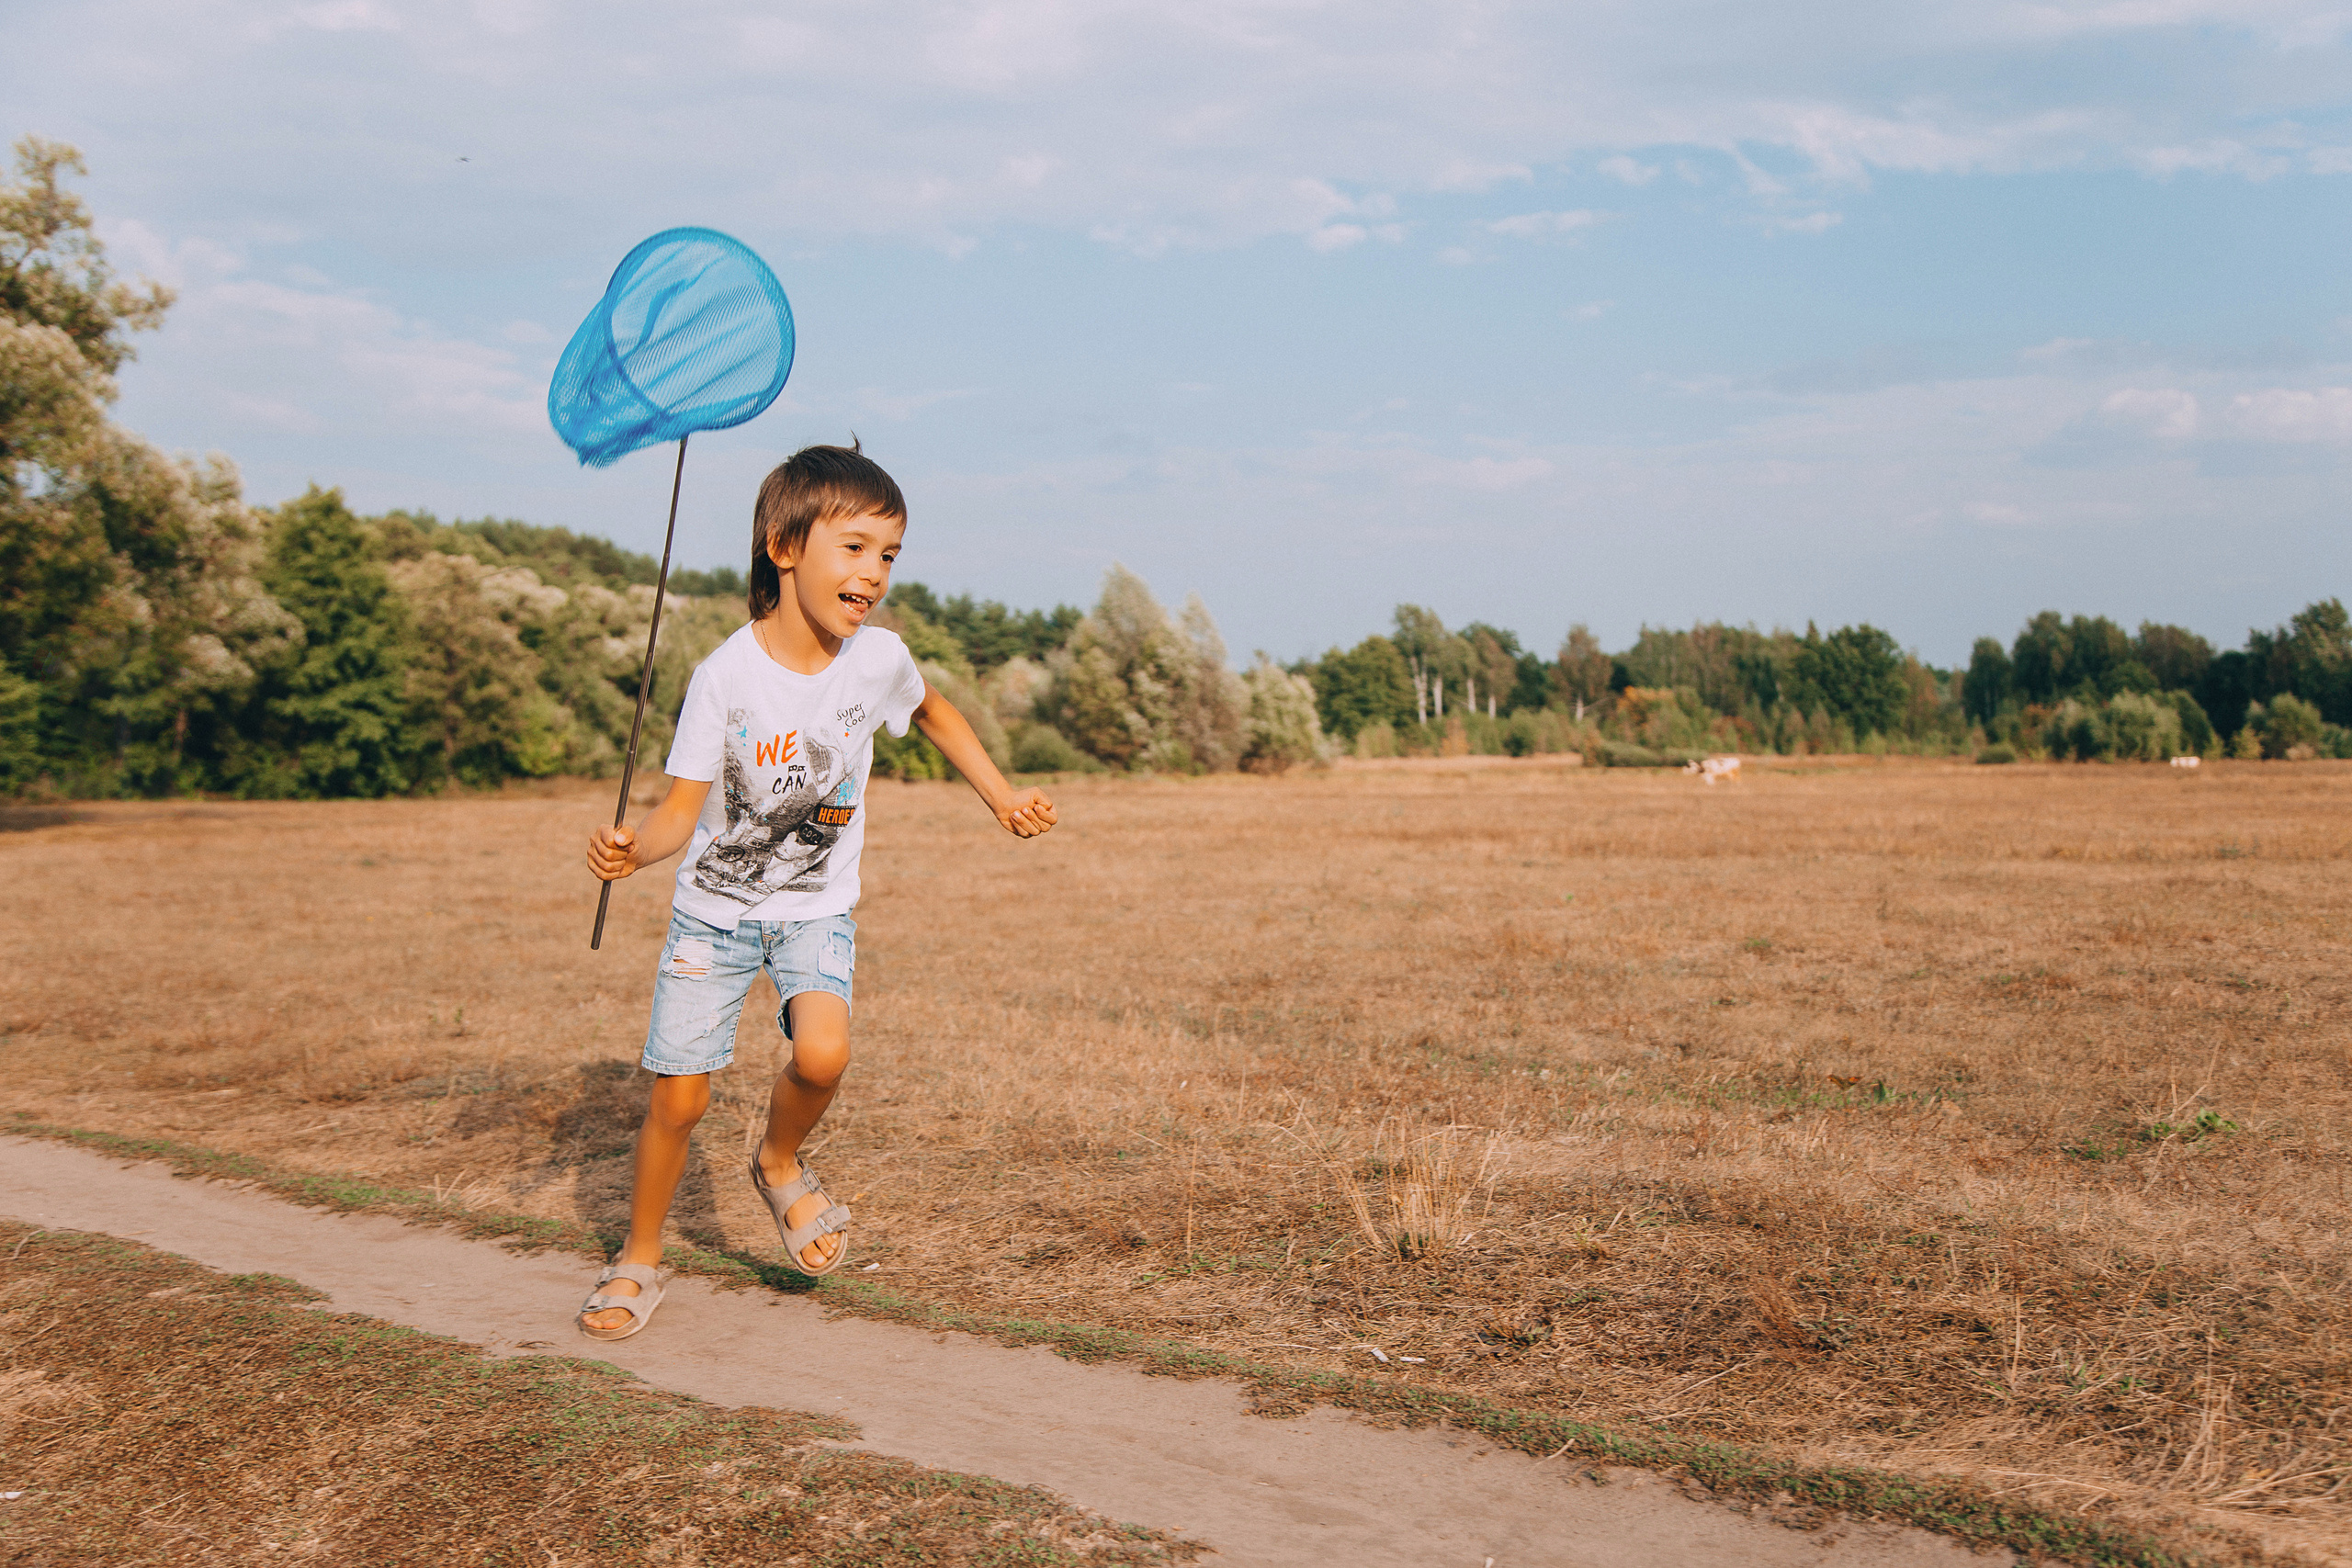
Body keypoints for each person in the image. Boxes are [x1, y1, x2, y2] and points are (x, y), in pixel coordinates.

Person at [575, 441, 1056, 1340]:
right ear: (784, 547)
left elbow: (934, 710)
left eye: (889, 554)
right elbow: (679, 813)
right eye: (855, 547)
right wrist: (632, 851)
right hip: (714, 916)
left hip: (815, 908)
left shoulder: (878, 660)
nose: (874, 573)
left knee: (824, 1057)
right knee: (679, 1100)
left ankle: (778, 1161)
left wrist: (999, 795)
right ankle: (638, 1256)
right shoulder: (725, 676)